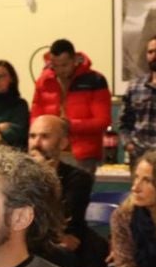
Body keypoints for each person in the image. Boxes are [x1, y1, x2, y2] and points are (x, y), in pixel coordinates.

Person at [26, 114, 104, 267]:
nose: (36, 143)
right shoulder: (17, 176)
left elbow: (62, 219)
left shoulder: (78, 178)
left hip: (67, 249)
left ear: (63, 143)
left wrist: (45, 176)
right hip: (30, 241)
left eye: (45, 137)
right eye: (32, 136)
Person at [30, 39, 113, 170]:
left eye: (64, 65)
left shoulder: (95, 80)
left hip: (84, 154)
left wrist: (69, 125)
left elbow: (103, 121)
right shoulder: (44, 82)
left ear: (75, 60)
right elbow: (35, 117)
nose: (60, 70)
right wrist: (45, 131)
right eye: (55, 65)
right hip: (49, 151)